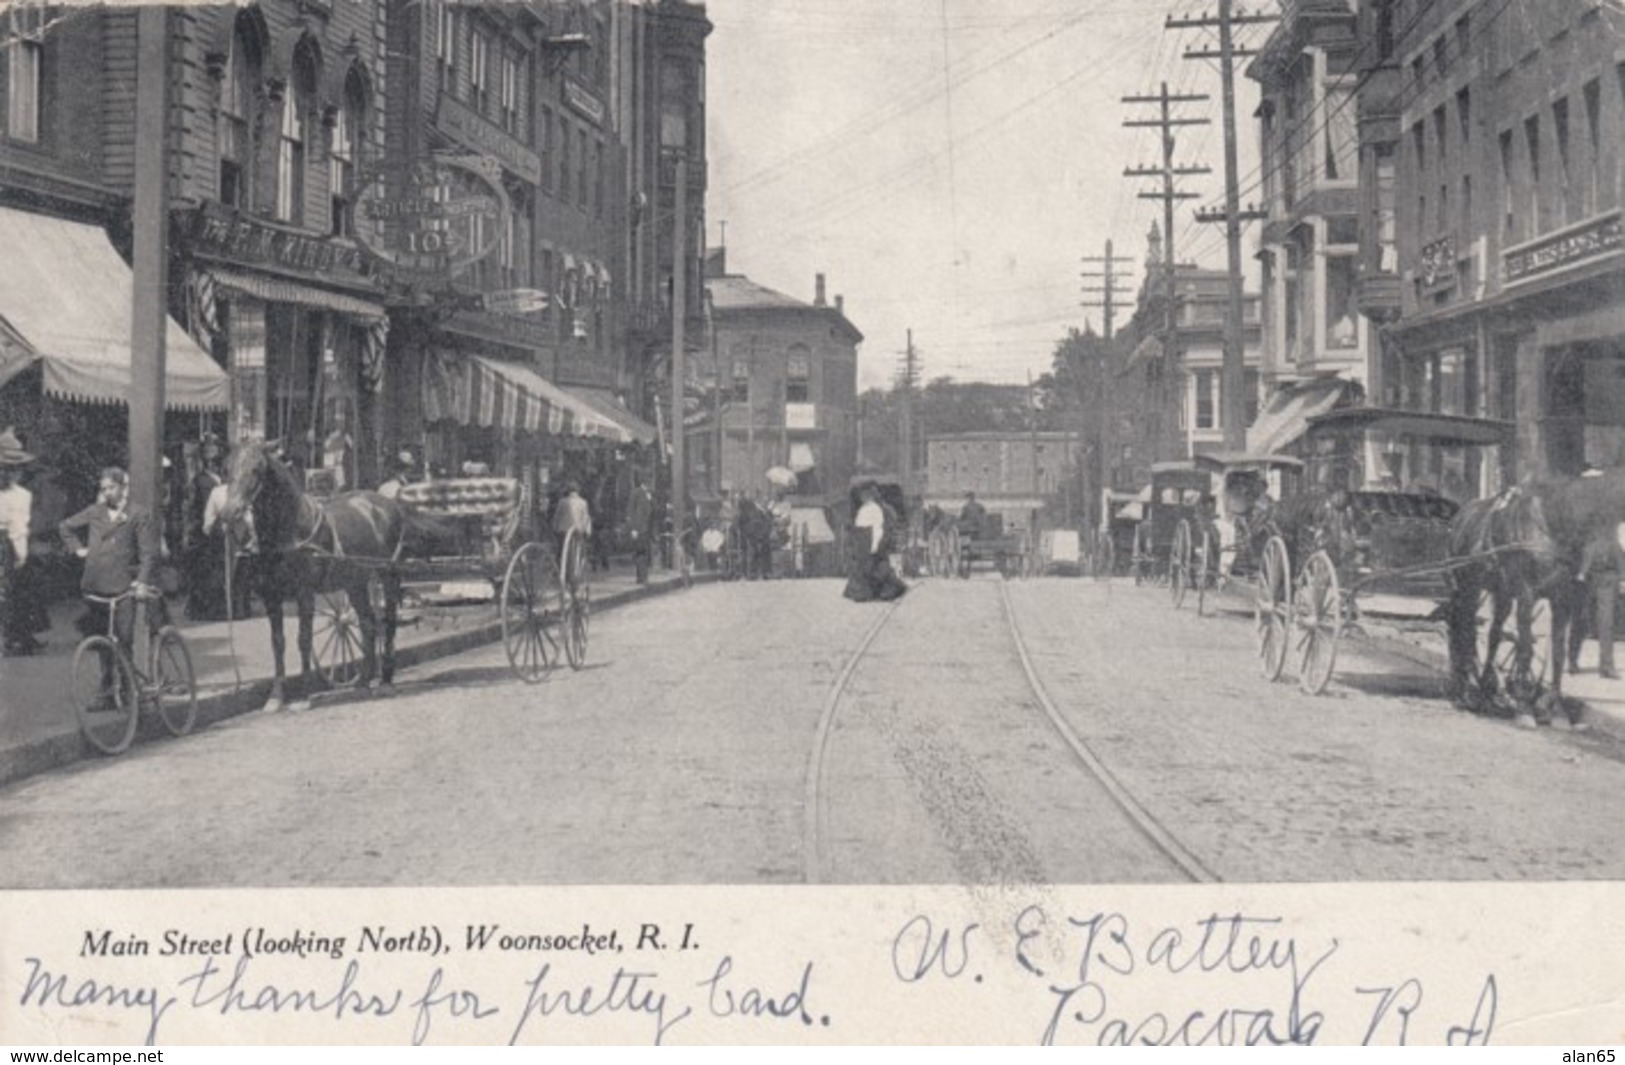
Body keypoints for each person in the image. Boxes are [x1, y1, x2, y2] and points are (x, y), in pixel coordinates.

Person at [58, 467, 166, 661]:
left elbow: (147, 553)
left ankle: (126, 686)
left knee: (123, 639)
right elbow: (65, 526)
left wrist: (141, 581)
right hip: (95, 584)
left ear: (123, 488)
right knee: (101, 639)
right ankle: (108, 685)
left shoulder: (137, 514)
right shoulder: (95, 511)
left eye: (111, 488)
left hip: (123, 586)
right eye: (104, 489)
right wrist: (78, 549)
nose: (107, 492)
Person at [0, 429, 41, 655]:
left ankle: (13, 636)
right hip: (6, 545)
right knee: (14, 592)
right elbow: (17, 530)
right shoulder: (21, 495)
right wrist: (22, 555)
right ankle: (15, 638)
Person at [1569, 525, 1623, 680]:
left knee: (1606, 624)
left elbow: (1621, 563)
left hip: (1606, 583)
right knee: (1579, 621)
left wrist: (1622, 580)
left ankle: (1606, 666)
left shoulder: (1611, 542)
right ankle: (1572, 661)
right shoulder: (1579, 539)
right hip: (1584, 585)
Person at [843, 482, 907, 603]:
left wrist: (874, 545)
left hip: (873, 542)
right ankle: (867, 592)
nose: (863, 498)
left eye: (866, 496)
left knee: (875, 569)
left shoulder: (876, 510)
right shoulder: (867, 509)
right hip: (869, 543)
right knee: (869, 569)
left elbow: (878, 529)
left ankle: (877, 591)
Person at [627, 472, 654, 585]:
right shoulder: (636, 493)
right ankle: (642, 577)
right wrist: (633, 528)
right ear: (645, 482)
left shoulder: (649, 494)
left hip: (647, 528)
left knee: (645, 552)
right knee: (640, 552)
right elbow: (631, 511)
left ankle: (642, 576)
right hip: (639, 528)